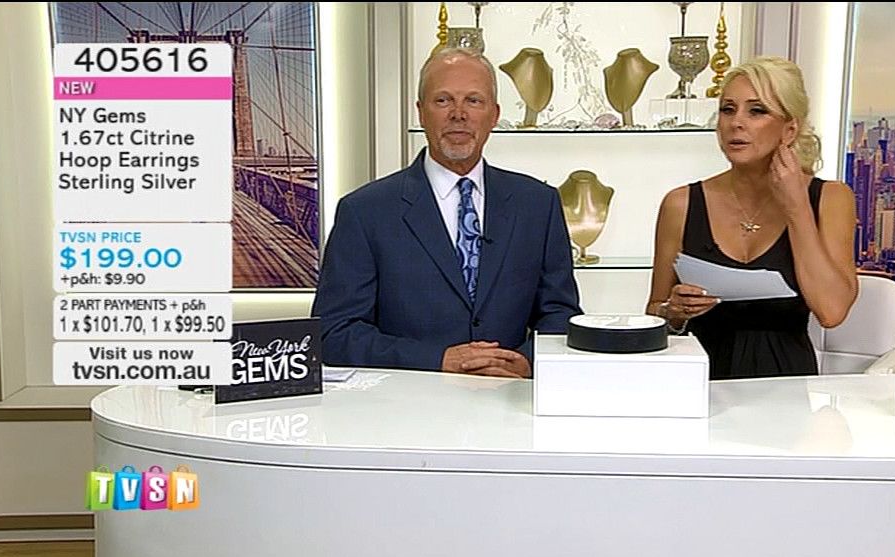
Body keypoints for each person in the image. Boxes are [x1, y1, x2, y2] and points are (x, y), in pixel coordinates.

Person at [312, 47, 581, 378]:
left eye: (473, 101)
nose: (459, 114)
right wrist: (437, 360)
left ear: (494, 115)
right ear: (421, 113)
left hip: (510, 398)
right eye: (443, 100)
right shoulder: (365, 211)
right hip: (408, 402)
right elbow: (334, 333)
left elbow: (560, 315)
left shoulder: (538, 204)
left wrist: (525, 361)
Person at [645, 56, 857, 380]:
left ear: (789, 129)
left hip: (785, 384)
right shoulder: (680, 204)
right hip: (697, 380)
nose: (736, 123)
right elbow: (654, 311)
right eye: (727, 110)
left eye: (756, 111)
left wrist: (796, 207)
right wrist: (673, 312)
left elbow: (832, 311)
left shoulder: (831, 198)